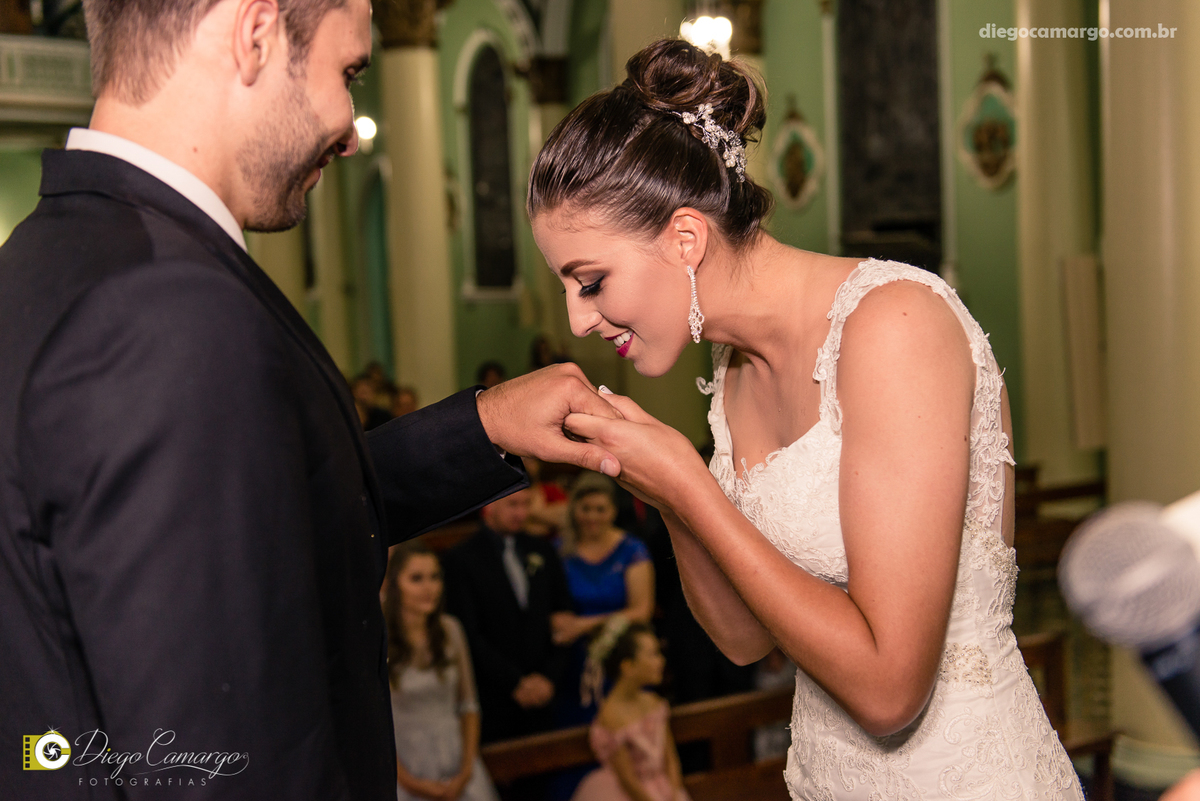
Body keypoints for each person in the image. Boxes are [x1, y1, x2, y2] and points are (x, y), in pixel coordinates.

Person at [0, 2, 623, 799]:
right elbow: (222, 757)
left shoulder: (48, 256)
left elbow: (255, 510)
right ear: (255, 32)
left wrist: (483, 426)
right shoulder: (167, 311)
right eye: (348, 72)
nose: (354, 128)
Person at [528, 38, 1083, 800]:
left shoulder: (893, 325)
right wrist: (661, 488)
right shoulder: (732, 375)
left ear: (685, 237)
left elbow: (892, 690)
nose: (578, 319)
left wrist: (691, 488)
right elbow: (742, 637)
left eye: (590, 282)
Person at [442, 489, 574, 744]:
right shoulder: (460, 559)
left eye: (526, 505)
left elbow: (563, 617)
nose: (522, 513)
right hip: (495, 694)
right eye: (513, 505)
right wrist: (514, 682)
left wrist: (548, 677)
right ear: (488, 507)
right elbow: (467, 632)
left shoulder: (542, 550)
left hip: (546, 690)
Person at [382, 541, 499, 801]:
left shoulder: (450, 629)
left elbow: (469, 705)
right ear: (393, 583)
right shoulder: (379, 639)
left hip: (456, 758)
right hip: (405, 765)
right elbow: (373, 721)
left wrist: (467, 770)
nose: (429, 588)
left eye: (435, 577)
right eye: (416, 579)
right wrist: (408, 781)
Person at [554, 474, 655, 727]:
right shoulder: (560, 550)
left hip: (621, 656)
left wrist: (583, 625)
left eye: (600, 509)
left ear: (613, 511)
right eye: (585, 508)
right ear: (574, 508)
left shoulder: (632, 550)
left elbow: (641, 611)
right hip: (572, 659)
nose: (592, 517)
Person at [571, 621, 689, 801]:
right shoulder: (611, 717)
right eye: (653, 655)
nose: (661, 661)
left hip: (665, 790)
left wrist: (674, 792)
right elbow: (627, 778)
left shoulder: (654, 702)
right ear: (628, 666)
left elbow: (670, 758)